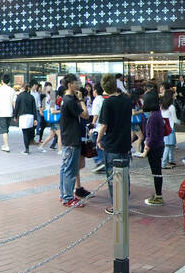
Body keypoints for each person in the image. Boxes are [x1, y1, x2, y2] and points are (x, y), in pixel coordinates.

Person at [97, 75, 136, 212]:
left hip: (112, 144)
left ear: (104, 87)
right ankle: (124, 202)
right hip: (125, 143)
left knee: (113, 177)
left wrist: (98, 140)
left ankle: (117, 205)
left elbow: (103, 126)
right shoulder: (126, 100)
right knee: (125, 175)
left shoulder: (107, 103)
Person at [55, 77, 91, 206]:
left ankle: (64, 195)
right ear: (70, 85)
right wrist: (81, 100)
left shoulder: (65, 100)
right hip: (72, 139)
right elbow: (85, 115)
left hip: (67, 138)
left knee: (65, 168)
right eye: (77, 83)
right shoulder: (70, 101)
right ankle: (68, 198)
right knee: (70, 169)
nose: (78, 85)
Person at [138, 83, 171, 206]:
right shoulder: (157, 115)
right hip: (159, 145)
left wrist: (146, 149)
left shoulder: (153, 117)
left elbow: (150, 137)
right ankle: (158, 194)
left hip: (155, 148)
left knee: (156, 172)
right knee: (157, 172)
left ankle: (158, 196)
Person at [0, 77, 18, 153]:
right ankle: (5, 144)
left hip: (1, 112)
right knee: (6, 129)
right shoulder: (12, 90)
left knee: (4, 130)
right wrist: (15, 112)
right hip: (9, 112)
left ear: (2, 81)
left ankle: (6, 146)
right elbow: (14, 103)